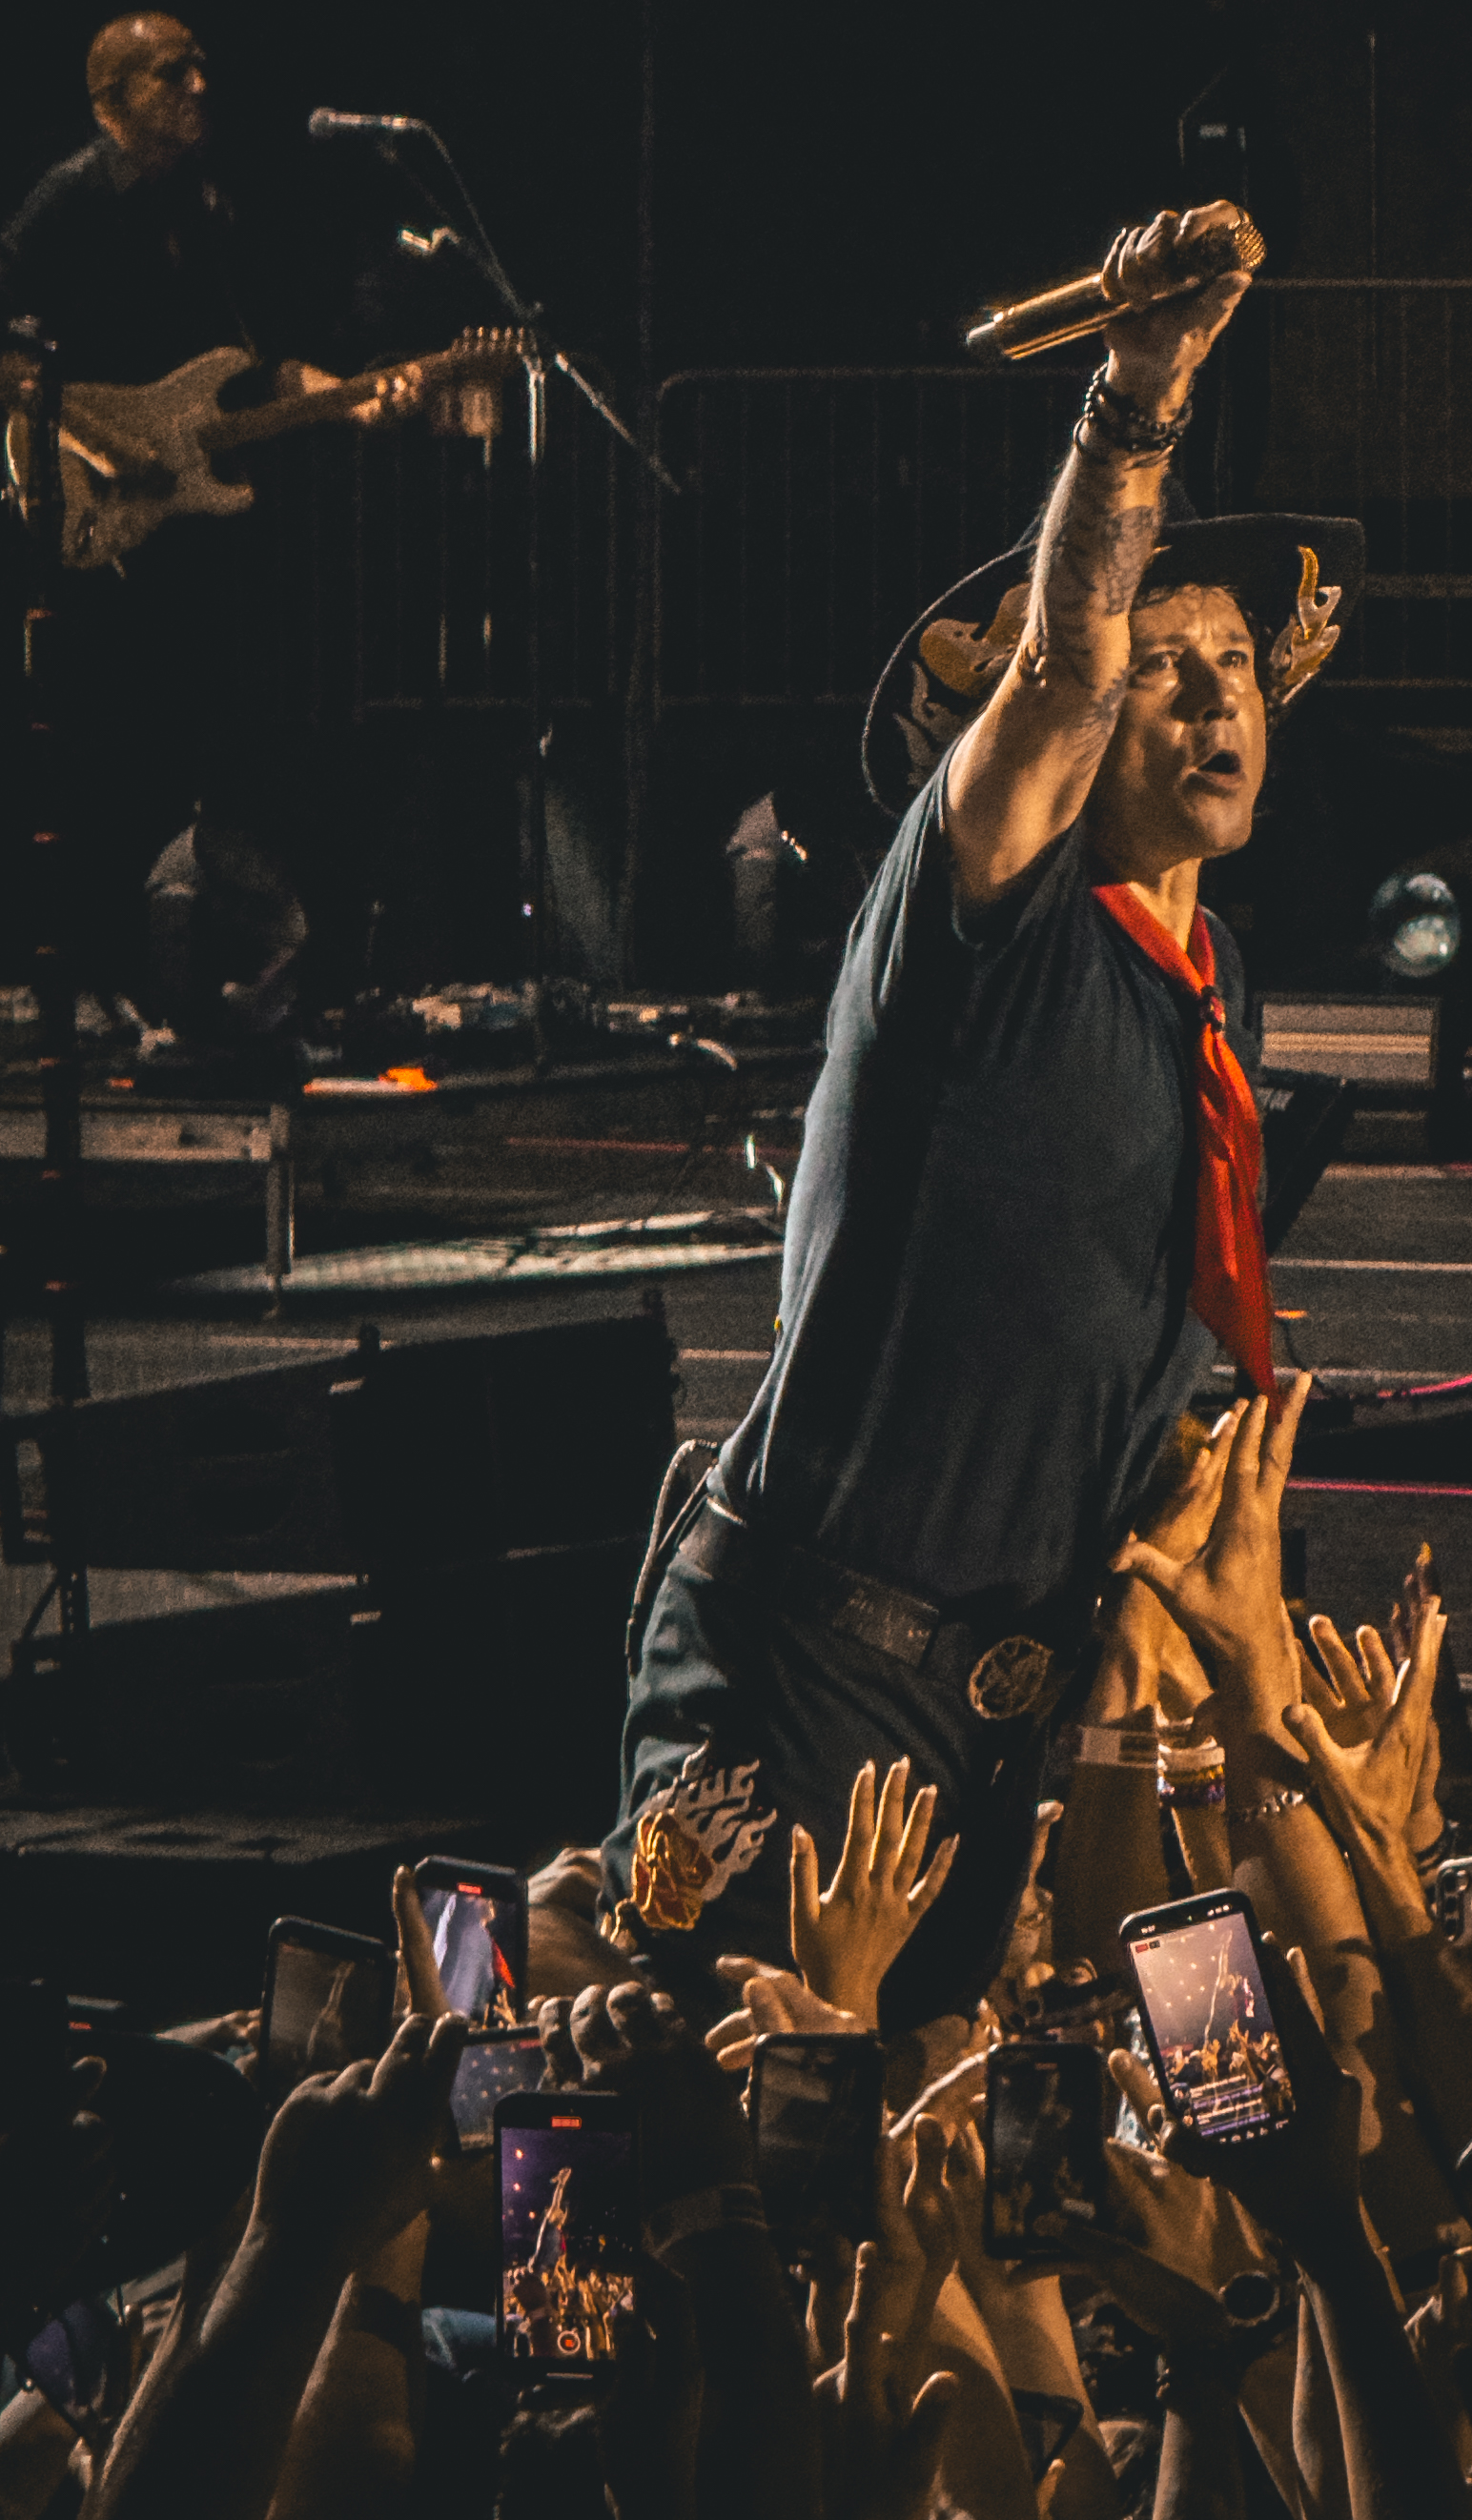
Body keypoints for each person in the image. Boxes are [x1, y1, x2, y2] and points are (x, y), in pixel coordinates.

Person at [602, 199, 1363, 2020]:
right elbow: (1058, 670)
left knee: (942, 2130)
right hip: (806, 1674)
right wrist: (1138, 395)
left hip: (994, 1704)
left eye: (1235, 664)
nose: (1211, 697)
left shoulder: (1209, 979)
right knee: (746, 2109)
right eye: (1163, 669)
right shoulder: (974, 920)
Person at [1, 10, 430, 1022]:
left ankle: (176, 987)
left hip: (180, 527)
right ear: (109, 103)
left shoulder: (208, 207)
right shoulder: (70, 200)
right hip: (91, 507)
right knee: (97, 752)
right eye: (169, 72)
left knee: (181, 750)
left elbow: (253, 361)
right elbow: (10, 352)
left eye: (200, 67)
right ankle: (81, 980)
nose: (199, 84)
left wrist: (349, 398)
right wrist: (103, 445)